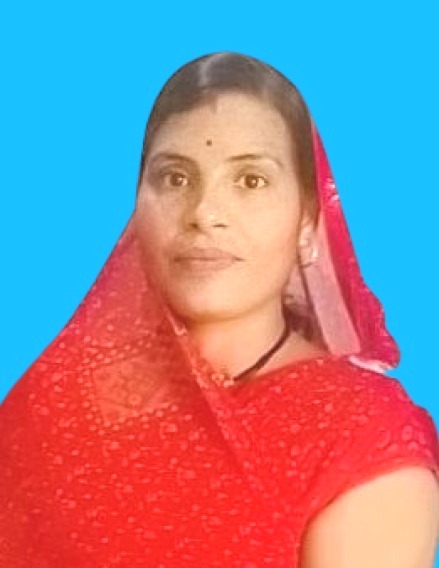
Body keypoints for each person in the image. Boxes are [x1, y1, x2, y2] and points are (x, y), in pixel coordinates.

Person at [1, 52, 438, 567]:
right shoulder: (58, 405)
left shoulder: (360, 438)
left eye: (251, 180)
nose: (205, 213)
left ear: (307, 220)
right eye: (175, 179)